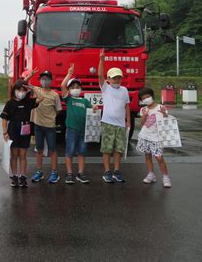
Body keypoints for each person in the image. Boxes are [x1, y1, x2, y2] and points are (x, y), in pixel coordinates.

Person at [1, 80, 42, 188]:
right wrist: (5, 132)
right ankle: (14, 176)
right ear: (14, 90)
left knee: (23, 155)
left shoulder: (28, 102)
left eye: (23, 90)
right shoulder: (10, 103)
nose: (21, 92)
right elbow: (4, 120)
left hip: (25, 130)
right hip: (12, 130)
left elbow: (41, 97)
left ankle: (22, 176)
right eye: (19, 90)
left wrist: (32, 87)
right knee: (14, 155)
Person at [61, 64, 97, 184]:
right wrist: (69, 74)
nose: (75, 88)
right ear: (70, 89)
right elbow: (62, 86)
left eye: (77, 86)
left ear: (81, 88)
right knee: (69, 151)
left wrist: (95, 108)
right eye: (73, 87)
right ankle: (69, 173)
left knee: (82, 152)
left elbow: (92, 109)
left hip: (84, 130)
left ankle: (80, 173)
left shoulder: (85, 100)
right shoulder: (69, 99)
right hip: (71, 129)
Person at [98, 48, 131, 183]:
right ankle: (107, 172)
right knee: (107, 149)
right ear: (109, 79)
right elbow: (99, 76)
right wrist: (101, 60)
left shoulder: (124, 90)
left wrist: (128, 121)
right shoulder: (106, 88)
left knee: (118, 149)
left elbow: (127, 106)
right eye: (114, 77)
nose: (117, 80)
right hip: (108, 123)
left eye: (119, 77)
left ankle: (117, 171)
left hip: (121, 125)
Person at [24, 69, 62, 184]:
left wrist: (52, 116)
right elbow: (24, 84)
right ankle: (39, 171)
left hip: (50, 126)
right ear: (40, 80)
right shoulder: (36, 90)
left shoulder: (55, 95)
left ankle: (54, 172)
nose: (45, 81)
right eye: (42, 78)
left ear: (51, 81)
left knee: (52, 150)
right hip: (38, 126)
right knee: (39, 150)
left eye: (47, 78)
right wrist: (30, 75)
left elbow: (58, 110)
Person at [136, 87, 172, 188]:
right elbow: (142, 124)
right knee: (147, 156)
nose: (146, 99)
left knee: (159, 157)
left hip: (157, 137)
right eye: (144, 98)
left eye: (148, 96)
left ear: (152, 96)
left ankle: (166, 177)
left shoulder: (161, 107)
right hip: (145, 135)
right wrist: (144, 116)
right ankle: (151, 174)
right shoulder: (143, 109)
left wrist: (165, 115)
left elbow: (167, 122)